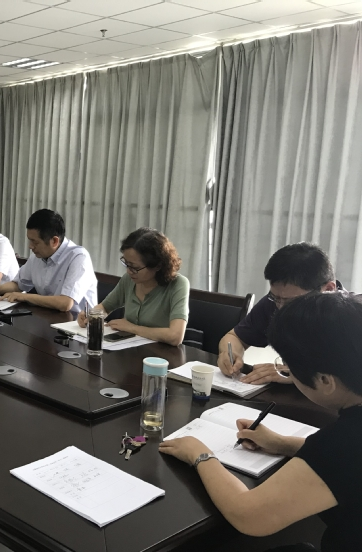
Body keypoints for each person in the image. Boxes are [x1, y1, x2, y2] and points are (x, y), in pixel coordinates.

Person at [159, 292, 362, 552]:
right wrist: (282, 443)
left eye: (288, 368)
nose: (287, 374)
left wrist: (200, 455)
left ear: (325, 380)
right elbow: (341, 466)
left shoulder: (346, 441)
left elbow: (248, 515)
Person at [218, 243, 342, 385]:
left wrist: (297, 375)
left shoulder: (353, 317)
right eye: (276, 297)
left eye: (291, 301)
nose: (281, 308)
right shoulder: (274, 302)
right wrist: (230, 355)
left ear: (328, 289)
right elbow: (234, 337)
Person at [77, 227, 188, 346]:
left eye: (135, 267)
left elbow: (175, 336)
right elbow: (105, 307)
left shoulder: (178, 284)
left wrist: (132, 328)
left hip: (160, 353)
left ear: (157, 266)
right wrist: (92, 316)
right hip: (128, 349)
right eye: (126, 264)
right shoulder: (129, 280)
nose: (129, 271)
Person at [0, 209, 97, 313]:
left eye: (35, 242)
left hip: (77, 324)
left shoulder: (78, 257)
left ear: (54, 241)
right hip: (49, 317)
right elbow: (18, 284)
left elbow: (65, 303)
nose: (30, 246)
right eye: (29, 240)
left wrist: (25, 297)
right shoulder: (37, 256)